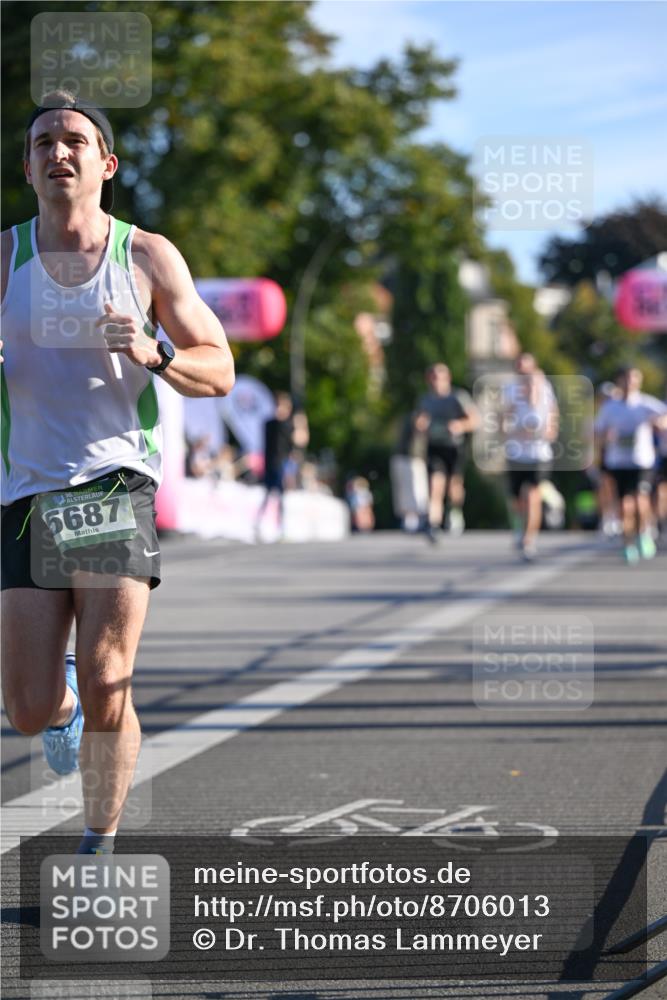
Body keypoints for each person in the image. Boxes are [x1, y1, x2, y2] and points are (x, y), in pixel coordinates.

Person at [0, 92, 235, 855]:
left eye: (74, 140)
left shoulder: (145, 257)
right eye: (42, 142)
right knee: (28, 709)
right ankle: (60, 707)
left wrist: (155, 352)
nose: (57, 152)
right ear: (27, 166)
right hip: (26, 491)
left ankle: (98, 843)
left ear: (106, 163)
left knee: (110, 680)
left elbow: (219, 368)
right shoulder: (4, 258)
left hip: (112, 481)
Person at [594, 366, 667, 563]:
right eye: (625, 379)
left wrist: (659, 423)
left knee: (640, 500)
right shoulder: (610, 407)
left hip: (641, 461)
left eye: (633, 378)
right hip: (617, 462)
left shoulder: (646, 403)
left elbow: (664, 417)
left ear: (638, 381)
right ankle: (628, 543)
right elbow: (597, 432)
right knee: (624, 506)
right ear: (619, 381)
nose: (629, 382)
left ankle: (644, 533)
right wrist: (605, 437)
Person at [502, 353, 559, 561]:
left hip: (539, 454)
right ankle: (520, 527)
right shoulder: (510, 391)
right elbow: (503, 421)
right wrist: (516, 431)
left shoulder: (545, 390)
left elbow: (553, 417)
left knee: (533, 495)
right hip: (516, 453)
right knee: (518, 499)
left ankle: (529, 539)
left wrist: (547, 432)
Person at [418, 363, 480, 541]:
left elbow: (475, 420)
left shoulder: (458, 397)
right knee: (435, 485)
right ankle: (434, 524)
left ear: (447, 379)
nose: (436, 382)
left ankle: (455, 510)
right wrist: (421, 425)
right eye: (433, 378)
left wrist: (460, 425)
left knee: (454, 486)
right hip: (434, 446)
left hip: (454, 447)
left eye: (440, 378)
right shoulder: (426, 400)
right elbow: (420, 421)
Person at [255, 391, 309, 540]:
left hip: (284, 465)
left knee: (282, 497)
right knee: (268, 494)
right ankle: (258, 525)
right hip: (271, 464)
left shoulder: (290, 425)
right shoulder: (270, 424)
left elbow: (301, 441)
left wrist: (301, 424)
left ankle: (282, 528)